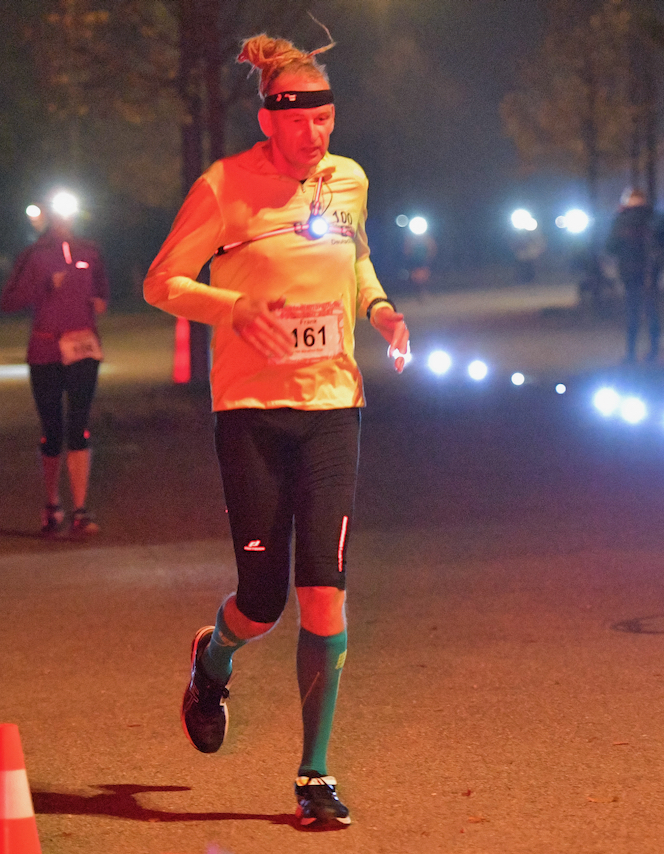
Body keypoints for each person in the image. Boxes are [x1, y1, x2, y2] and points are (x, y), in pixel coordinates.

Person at [143, 32, 410, 829]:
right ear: (270, 120)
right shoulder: (225, 187)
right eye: (302, 123)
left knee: (323, 595)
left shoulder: (348, 181)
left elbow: (356, 258)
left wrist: (381, 309)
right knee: (262, 605)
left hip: (333, 408)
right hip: (252, 414)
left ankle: (314, 776)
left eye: (327, 121)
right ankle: (212, 659)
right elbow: (162, 283)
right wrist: (236, 308)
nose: (317, 136)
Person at [0, 196, 108, 536]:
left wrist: (98, 301)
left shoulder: (90, 252)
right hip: (45, 351)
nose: (63, 220)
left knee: (79, 425)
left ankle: (80, 509)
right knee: (52, 430)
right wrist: (44, 285)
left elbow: (102, 293)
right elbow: (8, 301)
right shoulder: (33, 255)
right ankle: (52, 504)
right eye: (57, 214)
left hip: (82, 350)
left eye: (68, 213)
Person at [606, 188, 664, 362]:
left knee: (632, 311)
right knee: (651, 311)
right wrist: (661, 264)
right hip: (651, 270)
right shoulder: (657, 219)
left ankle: (631, 352)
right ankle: (653, 351)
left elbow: (611, 247)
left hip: (629, 271)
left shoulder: (620, 220)